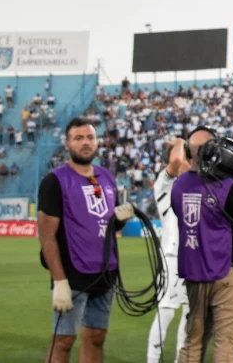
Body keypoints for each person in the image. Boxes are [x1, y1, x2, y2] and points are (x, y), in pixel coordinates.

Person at [38, 117, 135, 363]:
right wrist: (59, 281)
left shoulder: (106, 176)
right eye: (78, 138)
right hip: (72, 274)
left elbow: (105, 223)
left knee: (95, 337)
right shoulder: (55, 181)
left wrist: (119, 219)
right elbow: (46, 236)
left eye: (90, 138)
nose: (85, 143)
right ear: (68, 144)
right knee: (63, 341)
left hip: (105, 272)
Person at [171, 126, 233, 363]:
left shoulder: (178, 185)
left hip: (194, 272)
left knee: (194, 340)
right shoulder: (226, 186)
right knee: (227, 341)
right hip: (228, 270)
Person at [147, 138, 192, 362]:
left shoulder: (193, 185)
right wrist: (182, 142)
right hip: (172, 257)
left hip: (193, 258)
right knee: (165, 313)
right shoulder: (165, 183)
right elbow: (176, 160)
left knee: (189, 315)